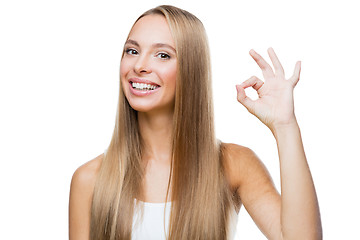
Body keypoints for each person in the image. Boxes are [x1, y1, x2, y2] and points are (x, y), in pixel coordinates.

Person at [69, 5, 322, 240]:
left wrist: (285, 126)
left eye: (162, 55)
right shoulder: (89, 179)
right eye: (132, 51)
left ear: (191, 69)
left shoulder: (235, 165)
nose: (140, 65)